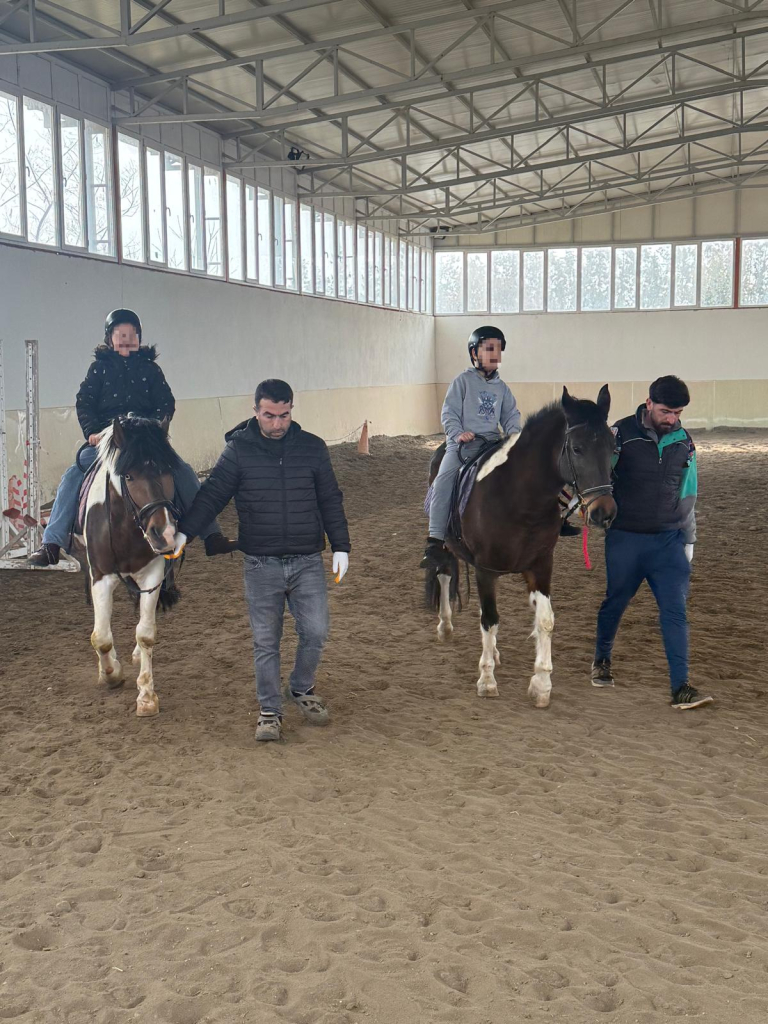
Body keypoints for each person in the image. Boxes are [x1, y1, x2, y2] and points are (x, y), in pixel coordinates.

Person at [176, 379, 351, 744]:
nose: (277, 423)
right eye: (269, 415)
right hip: (261, 563)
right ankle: (270, 710)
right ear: (255, 411)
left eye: (284, 415)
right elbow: (212, 495)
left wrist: (341, 546)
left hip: (306, 560)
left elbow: (329, 499)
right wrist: (184, 533)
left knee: (316, 632)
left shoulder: (313, 448)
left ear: (291, 410)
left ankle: (301, 686)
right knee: (266, 641)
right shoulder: (238, 450)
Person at [28, 309, 235, 566]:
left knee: (183, 471)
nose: (126, 339)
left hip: (146, 438)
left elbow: (165, 402)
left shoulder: (151, 369)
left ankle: (212, 534)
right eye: (120, 334)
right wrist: (92, 432)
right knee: (72, 476)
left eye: (132, 335)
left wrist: (157, 427)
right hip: (111, 437)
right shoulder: (98, 369)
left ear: (139, 338)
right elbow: (85, 402)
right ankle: (52, 543)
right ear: (110, 339)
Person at [591, 375, 713, 710]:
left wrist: (689, 539)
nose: (671, 419)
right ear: (649, 404)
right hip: (625, 539)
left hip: (668, 542)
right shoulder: (619, 435)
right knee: (615, 603)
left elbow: (688, 492)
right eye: (665, 411)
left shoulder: (684, 442)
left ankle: (681, 687)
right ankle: (601, 659)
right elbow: (598, 477)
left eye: (677, 413)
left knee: (675, 611)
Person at [420, 325, 521, 568]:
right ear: (475, 353)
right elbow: (449, 413)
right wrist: (457, 433)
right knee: (443, 481)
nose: (495, 354)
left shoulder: (502, 389)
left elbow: (510, 416)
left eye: (498, 349)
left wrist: (514, 435)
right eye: (489, 349)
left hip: (492, 443)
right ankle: (435, 540)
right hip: (463, 446)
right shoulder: (462, 382)